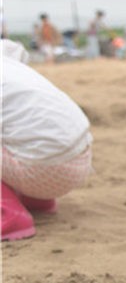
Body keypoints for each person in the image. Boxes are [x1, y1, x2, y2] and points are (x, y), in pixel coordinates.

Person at [1, 39, 94, 241]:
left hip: (43, 170)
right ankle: (35, 201)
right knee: (19, 128)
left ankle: (8, 216)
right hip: (81, 158)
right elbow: (16, 50)